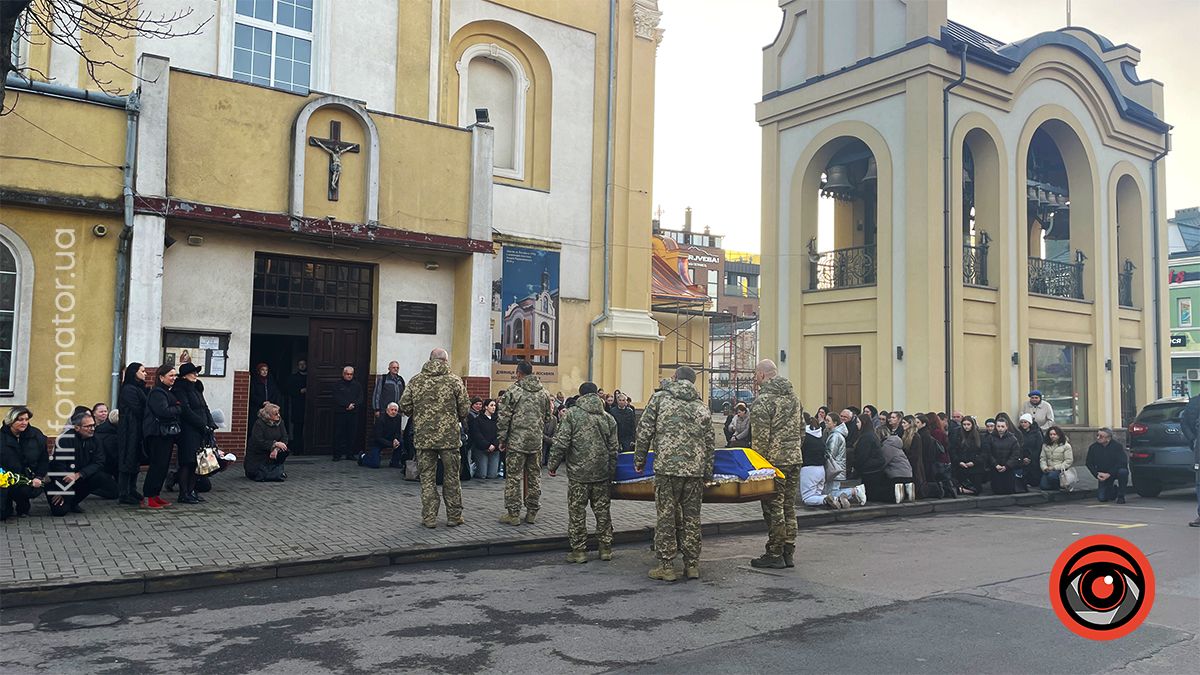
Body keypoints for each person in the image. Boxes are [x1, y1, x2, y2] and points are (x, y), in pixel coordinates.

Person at [634, 366, 715, 582]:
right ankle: (692, 565)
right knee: (692, 518)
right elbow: (709, 442)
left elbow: (644, 430)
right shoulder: (701, 406)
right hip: (694, 471)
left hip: (667, 469)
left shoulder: (660, 399)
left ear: (675, 378)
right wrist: (707, 472)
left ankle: (666, 566)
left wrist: (639, 460)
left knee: (666, 516)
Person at [548, 381, 619, 563]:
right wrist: (611, 472)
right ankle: (606, 549)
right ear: (596, 395)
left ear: (580, 395)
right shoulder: (608, 418)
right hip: (601, 474)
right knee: (603, 512)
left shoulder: (572, 416)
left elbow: (561, 442)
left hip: (578, 475)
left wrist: (553, 465)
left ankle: (579, 551)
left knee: (577, 512)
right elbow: (613, 449)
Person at [399, 347, 470, 528]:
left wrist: (420, 414)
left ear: (430, 359)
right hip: (449, 440)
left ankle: (429, 518)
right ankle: (454, 516)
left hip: (424, 439)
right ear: (445, 361)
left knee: (427, 479)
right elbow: (464, 409)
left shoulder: (416, 381)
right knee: (452, 477)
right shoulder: (455, 381)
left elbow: (404, 406)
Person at [747, 359, 802, 569]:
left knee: (773, 507)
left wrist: (758, 467)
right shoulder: (794, 398)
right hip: (794, 458)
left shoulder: (763, 401)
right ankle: (789, 550)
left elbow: (760, 439)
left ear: (762, 375)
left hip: (773, 462)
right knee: (789, 506)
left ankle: (775, 552)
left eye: (755, 374)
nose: (754, 378)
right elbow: (801, 430)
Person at [497, 361, 553, 525]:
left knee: (514, 477)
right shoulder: (543, 392)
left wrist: (502, 438)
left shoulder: (514, 390)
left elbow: (503, 417)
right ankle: (532, 512)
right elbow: (549, 417)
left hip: (516, 442)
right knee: (534, 476)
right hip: (535, 441)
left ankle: (513, 514)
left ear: (519, 373)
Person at [45, 411, 117, 515]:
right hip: (60, 479)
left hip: (79, 476)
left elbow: (99, 462)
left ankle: (72, 502)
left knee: (101, 477)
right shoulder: (65, 440)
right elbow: (58, 466)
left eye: (93, 425)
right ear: (77, 427)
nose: (92, 429)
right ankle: (65, 499)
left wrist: (80, 474)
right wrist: (62, 490)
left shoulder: (96, 440)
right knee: (59, 512)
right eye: (88, 426)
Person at [175, 362, 217, 504]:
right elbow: (186, 411)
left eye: (196, 373)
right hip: (188, 431)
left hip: (201, 430)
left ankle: (192, 491)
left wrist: (210, 424)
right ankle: (183, 493)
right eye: (193, 373)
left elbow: (204, 407)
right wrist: (202, 424)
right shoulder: (180, 389)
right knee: (187, 462)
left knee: (198, 463)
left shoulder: (196, 388)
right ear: (185, 375)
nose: (196, 375)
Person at [141, 365, 182, 508]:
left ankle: (155, 495)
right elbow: (163, 411)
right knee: (157, 465)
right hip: (157, 434)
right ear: (161, 377)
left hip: (165, 434)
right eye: (171, 375)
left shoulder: (166, 392)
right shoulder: (157, 393)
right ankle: (148, 496)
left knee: (163, 466)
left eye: (175, 375)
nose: (174, 378)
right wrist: (178, 408)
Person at [1, 408, 47, 521]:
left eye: (26, 419)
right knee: (3, 514)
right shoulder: (1, 437)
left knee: (23, 491)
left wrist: (39, 477)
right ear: (11, 421)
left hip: (28, 478)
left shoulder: (36, 436)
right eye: (20, 420)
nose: (24, 423)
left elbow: (43, 459)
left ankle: (23, 506)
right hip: (5, 479)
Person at [116, 362, 148, 505]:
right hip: (129, 428)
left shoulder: (138, 388)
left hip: (136, 428)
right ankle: (124, 492)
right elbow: (137, 408)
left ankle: (132, 488)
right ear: (134, 372)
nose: (145, 373)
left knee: (135, 458)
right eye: (142, 371)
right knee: (127, 458)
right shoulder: (129, 389)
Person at [245, 403, 289, 481]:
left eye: (278, 413)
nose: (278, 415)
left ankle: (277, 469)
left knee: (284, 450)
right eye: (275, 414)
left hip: (273, 450)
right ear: (268, 415)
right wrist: (274, 444)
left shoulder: (280, 422)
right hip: (259, 453)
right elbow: (259, 441)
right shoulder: (259, 424)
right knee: (258, 473)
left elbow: (284, 437)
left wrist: (275, 449)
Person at [1086, 428, 1128, 504]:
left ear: (1108, 438)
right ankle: (1112, 490)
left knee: (1123, 472)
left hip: (1114, 472)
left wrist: (1109, 474)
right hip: (1102, 473)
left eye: (1101, 436)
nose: (1098, 438)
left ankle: (1121, 495)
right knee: (1102, 498)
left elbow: (1122, 462)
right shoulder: (1093, 447)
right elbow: (1089, 463)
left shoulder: (1117, 446)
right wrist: (1096, 474)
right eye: (1097, 435)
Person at [854, 412, 889, 502]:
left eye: (858, 422)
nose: (856, 424)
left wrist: (857, 467)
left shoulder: (866, 437)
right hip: (874, 468)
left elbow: (862, 455)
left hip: (870, 469)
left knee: (871, 495)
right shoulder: (871, 434)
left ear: (864, 423)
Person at [331, 365, 364, 461]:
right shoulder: (337, 385)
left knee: (352, 434)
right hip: (340, 413)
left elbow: (360, 397)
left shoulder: (357, 385)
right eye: (347, 374)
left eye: (351, 374)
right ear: (343, 374)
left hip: (353, 413)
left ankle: (350, 454)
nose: (349, 376)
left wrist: (353, 405)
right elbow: (336, 397)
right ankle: (337, 454)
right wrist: (346, 405)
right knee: (338, 434)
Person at [952, 416, 987, 495]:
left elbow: (984, 453)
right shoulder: (958, 436)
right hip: (961, 466)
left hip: (975, 467)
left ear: (972, 425)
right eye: (964, 424)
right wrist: (959, 462)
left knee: (977, 489)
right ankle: (962, 489)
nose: (966, 427)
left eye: (968, 424)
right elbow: (953, 450)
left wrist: (974, 462)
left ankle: (963, 490)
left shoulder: (979, 437)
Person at [799, 422, 831, 508]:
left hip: (808, 469)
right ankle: (831, 499)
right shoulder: (819, 437)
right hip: (821, 469)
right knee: (816, 495)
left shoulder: (805, 438)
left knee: (807, 498)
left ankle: (826, 499)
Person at [879, 424, 914, 502]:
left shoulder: (887, 446)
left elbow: (883, 462)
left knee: (886, 491)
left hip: (897, 475)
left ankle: (897, 492)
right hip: (908, 473)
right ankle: (907, 489)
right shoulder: (896, 443)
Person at [1180, 394, 1200, 527]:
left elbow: (1184, 422)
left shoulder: (1194, 401)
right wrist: (1194, 439)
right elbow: (1185, 422)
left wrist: (1193, 439)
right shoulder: (1194, 402)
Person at [988, 417, 1022, 495]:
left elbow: (1015, 454)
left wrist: (1007, 466)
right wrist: (995, 464)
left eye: (1002, 426)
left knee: (1008, 490)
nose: (1000, 428)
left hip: (1008, 469)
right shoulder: (991, 438)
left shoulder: (1013, 439)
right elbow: (988, 453)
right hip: (995, 467)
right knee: (997, 490)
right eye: (998, 426)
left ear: (1007, 427)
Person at [367, 402, 404, 469]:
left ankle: (394, 462)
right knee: (374, 464)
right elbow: (378, 437)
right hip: (377, 442)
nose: (393, 412)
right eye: (392, 410)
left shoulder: (398, 417)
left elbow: (398, 431)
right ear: (387, 410)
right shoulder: (381, 419)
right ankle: (363, 457)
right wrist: (391, 444)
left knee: (400, 442)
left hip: (390, 439)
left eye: (395, 410)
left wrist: (396, 439)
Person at [470, 399, 500, 479]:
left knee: (492, 475)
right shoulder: (478, 419)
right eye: (491, 405)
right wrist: (487, 445)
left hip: (494, 448)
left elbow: (500, 434)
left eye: (494, 406)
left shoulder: (497, 420)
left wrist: (494, 445)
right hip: (481, 449)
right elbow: (477, 434)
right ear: (486, 407)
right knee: (482, 474)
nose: (494, 408)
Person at [248, 363, 283, 430]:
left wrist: (270, 403)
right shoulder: (254, 382)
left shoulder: (271, 381)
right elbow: (252, 395)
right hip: (257, 408)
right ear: (259, 371)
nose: (264, 372)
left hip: (269, 408)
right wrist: (262, 402)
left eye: (266, 370)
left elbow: (275, 393)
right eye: (262, 370)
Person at [94, 406, 121, 491]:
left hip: (102, 464)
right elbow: (113, 455)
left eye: (105, 411)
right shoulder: (112, 434)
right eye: (101, 411)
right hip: (105, 465)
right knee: (114, 492)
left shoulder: (102, 429)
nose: (104, 413)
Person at [1039, 426, 1073, 491]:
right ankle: (1057, 486)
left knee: (1052, 476)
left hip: (1060, 469)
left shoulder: (1066, 446)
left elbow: (1068, 461)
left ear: (1059, 435)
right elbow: (1042, 458)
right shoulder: (1045, 445)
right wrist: (1044, 468)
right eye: (1050, 434)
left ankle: (1061, 484)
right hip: (1048, 468)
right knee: (1043, 486)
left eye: (1054, 434)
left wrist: (1055, 467)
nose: (1052, 436)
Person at [1016, 413, 1044, 490]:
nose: (1023, 424)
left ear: (1029, 423)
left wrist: (1030, 458)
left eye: (1025, 422)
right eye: (1022, 422)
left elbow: (1039, 447)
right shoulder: (1018, 433)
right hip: (1022, 457)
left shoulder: (1037, 432)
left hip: (1034, 457)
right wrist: (1023, 457)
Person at [900, 415, 926, 497]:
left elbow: (915, 454)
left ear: (910, 423)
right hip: (907, 463)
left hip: (914, 464)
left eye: (904, 423)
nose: (902, 425)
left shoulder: (915, 436)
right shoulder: (904, 436)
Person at [287, 360, 308, 454]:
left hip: (309, 406)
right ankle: (297, 449)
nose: (302, 366)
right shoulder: (293, 377)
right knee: (297, 429)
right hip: (298, 406)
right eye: (300, 364)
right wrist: (300, 391)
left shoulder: (310, 377)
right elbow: (289, 390)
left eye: (304, 364)